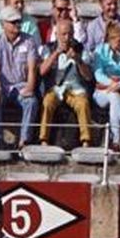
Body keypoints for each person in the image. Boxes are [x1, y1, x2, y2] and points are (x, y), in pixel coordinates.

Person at [0, 5, 39, 148]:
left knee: (31, 102)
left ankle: (24, 140)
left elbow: (32, 67)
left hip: (21, 85)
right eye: (13, 22)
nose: (17, 24)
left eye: (18, 21)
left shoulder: (29, 41)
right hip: (3, 86)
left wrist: (30, 87)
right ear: (3, 24)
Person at [36, 18, 93, 148]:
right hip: (56, 87)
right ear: (56, 34)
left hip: (75, 88)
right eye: (63, 34)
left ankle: (86, 140)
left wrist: (78, 60)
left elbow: (88, 77)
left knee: (83, 104)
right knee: (47, 102)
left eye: (70, 34)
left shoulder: (81, 49)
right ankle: (43, 138)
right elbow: (42, 71)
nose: (67, 38)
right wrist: (55, 53)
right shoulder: (47, 49)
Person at [90, 21, 120, 149]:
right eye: (118, 41)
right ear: (109, 40)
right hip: (101, 92)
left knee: (114, 98)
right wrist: (112, 83)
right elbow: (98, 73)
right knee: (113, 95)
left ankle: (115, 141)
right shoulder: (100, 51)